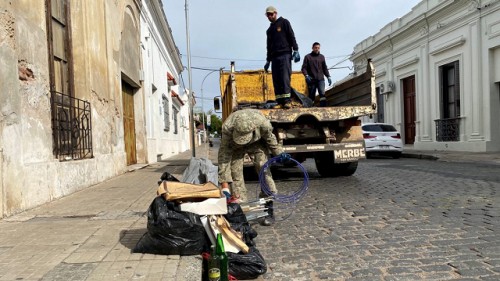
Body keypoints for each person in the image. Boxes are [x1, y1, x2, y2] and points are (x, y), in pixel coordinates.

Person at [218, 109, 290, 225]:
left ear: (253, 129)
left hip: (257, 143)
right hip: (236, 146)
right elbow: (223, 158)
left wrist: (280, 153)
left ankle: (268, 207)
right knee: (235, 173)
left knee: (263, 168)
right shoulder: (227, 128)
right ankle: (240, 209)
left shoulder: (263, 123)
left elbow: (270, 140)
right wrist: (225, 187)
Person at [264, 6, 300, 109]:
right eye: (268, 15)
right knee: (277, 79)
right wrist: (268, 60)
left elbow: (291, 36)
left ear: (275, 13)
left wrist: (296, 49)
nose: (269, 16)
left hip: (285, 54)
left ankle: (287, 101)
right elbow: (268, 46)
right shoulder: (269, 30)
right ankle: (279, 102)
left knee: (284, 78)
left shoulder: (284, 22)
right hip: (274, 57)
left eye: (271, 14)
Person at [301, 42, 332, 107]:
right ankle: (310, 109)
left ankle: (323, 108)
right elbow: (303, 68)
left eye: (318, 48)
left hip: (321, 79)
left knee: (322, 94)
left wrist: (328, 76)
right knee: (311, 96)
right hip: (312, 80)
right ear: (312, 48)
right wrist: (306, 75)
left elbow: (324, 68)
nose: (317, 49)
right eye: (315, 48)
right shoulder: (308, 57)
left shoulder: (322, 57)